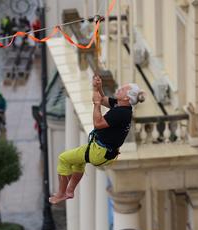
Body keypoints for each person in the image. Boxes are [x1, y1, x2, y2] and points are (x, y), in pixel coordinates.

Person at [49, 75, 145, 204]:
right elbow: (104, 99)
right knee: (78, 162)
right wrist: (98, 88)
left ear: (127, 97)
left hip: (99, 152)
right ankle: (70, 191)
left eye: (122, 90)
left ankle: (61, 194)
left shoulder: (120, 113)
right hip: (104, 152)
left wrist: (96, 104)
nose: (119, 89)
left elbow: (98, 123)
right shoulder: (122, 107)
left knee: (63, 159)